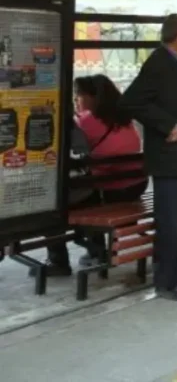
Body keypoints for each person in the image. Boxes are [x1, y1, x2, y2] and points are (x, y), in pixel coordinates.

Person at [119, 14, 177, 301]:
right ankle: (167, 282)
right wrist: (165, 123)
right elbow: (130, 100)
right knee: (170, 222)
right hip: (170, 159)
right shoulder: (159, 63)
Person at [38, 75, 148, 277]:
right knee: (87, 190)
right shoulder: (124, 118)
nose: (77, 100)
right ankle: (95, 250)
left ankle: (61, 259)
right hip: (136, 185)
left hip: (114, 190)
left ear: (92, 97)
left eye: (79, 94)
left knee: (58, 203)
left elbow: (73, 146)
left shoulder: (88, 121)